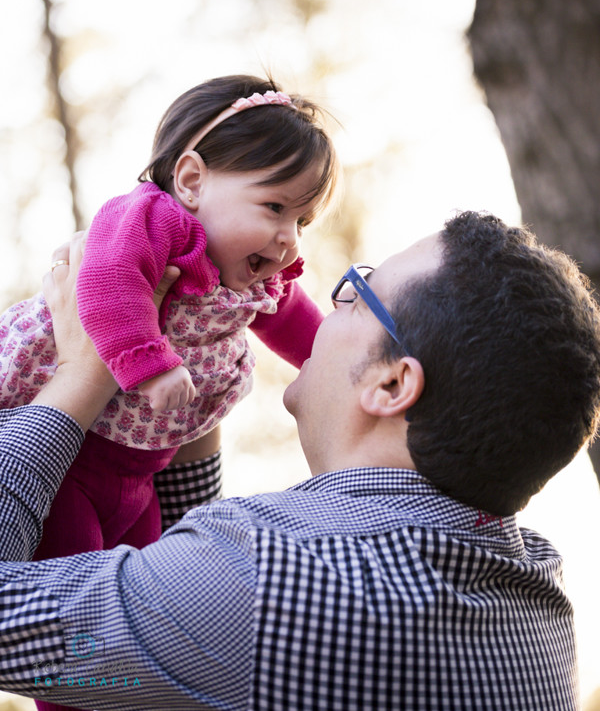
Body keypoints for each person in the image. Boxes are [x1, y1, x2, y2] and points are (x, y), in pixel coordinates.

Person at [1, 210, 599, 710]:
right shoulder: (543, 611)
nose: (326, 304)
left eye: (358, 294)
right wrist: (191, 405)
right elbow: (192, 648)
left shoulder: (261, 577)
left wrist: (79, 379)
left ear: (391, 385)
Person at [0, 74, 338, 711]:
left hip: (140, 478)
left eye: (303, 218)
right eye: (274, 207)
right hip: (65, 466)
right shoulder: (148, 220)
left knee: (154, 608)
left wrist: (329, 367)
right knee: (78, 634)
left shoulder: (252, 276)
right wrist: (149, 364)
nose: (290, 236)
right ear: (190, 181)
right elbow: (106, 281)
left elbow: (296, 322)